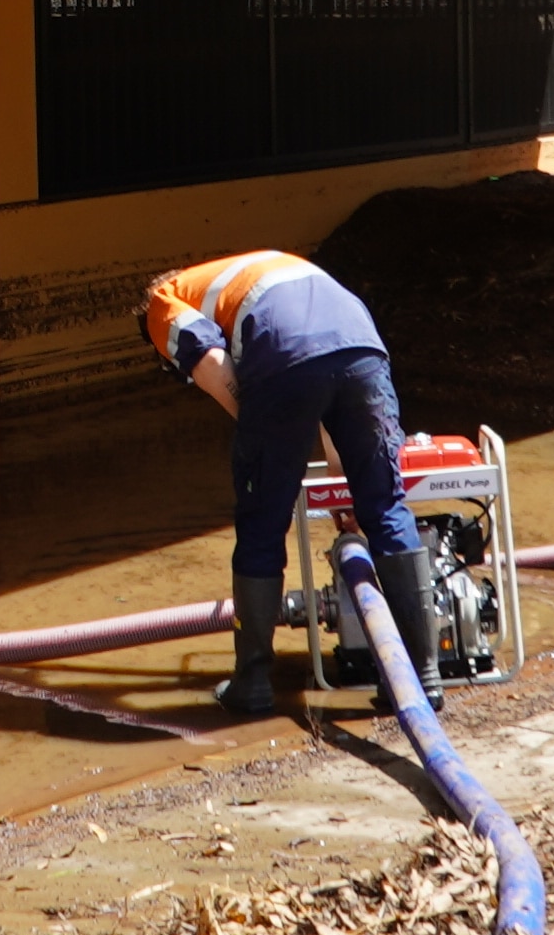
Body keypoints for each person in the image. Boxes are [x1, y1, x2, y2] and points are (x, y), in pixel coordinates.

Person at [137, 249, 436, 718]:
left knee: (262, 526)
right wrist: (344, 485)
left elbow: (219, 371)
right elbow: (325, 367)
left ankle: (253, 683)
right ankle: (422, 678)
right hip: (363, 347)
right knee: (385, 507)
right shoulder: (264, 269)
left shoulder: (161, 301)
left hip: (287, 361)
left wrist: (272, 445)